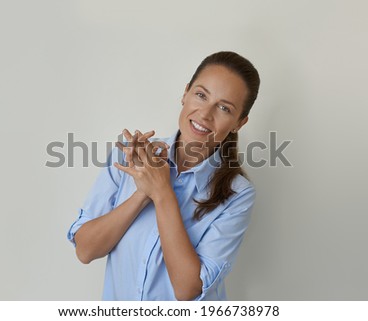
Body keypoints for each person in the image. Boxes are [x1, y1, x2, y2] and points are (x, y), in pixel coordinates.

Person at [67, 51, 260, 301]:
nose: (205, 114)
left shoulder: (238, 194)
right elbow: (86, 250)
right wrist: (142, 193)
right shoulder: (129, 155)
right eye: (201, 95)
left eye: (224, 108)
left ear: (239, 123)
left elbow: (187, 289)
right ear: (185, 93)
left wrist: (162, 192)